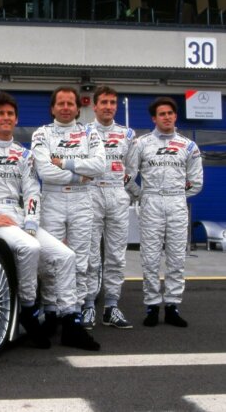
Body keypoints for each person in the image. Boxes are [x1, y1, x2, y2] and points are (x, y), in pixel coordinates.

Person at [0, 91, 99, 351]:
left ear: (16, 119)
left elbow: (32, 191)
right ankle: (29, 310)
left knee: (66, 256)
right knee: (31, 248)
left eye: (10, 114)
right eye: (1, 114)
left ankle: (71, 321)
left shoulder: (23, 154)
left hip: (19, 217)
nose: (6, 118)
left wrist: (31, 222)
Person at [31, 86, 105, 334]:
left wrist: (63, 162)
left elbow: (99, 165)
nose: (65, 108)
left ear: (77, 107)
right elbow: (44, 171)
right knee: (50, 257)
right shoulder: (42, 133)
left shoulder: (89, 133)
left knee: (80, 258)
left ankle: (77, 308)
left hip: (83, 201)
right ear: (52, 108)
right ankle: (51, 309)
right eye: (60, 104)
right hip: (52, 199)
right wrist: (78, 176)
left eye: (69, 104)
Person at [134, 97, 203, 327]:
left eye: (170, 113)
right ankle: (152, 305)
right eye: (162, 114)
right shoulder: (141, 144)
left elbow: (196, 181)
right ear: (154, 118)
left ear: (175, 116)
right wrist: (141, 194)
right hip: (151, 201)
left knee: (176, 258)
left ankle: (172, 305)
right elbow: (127, 175)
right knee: (150, 258)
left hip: (176, 203)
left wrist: (178, 194)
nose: (167, 117)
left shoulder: (189, 146)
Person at [82, 86, 138, 329]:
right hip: (90, 194)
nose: (108, 106)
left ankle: (111, 307)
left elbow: (132, 168)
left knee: (116, 254)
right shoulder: (83, 132)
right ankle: (88, 306)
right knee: (91, 255)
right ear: (94, 106)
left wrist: (121, 186)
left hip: (117, 194)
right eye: (103, 102)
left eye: (112, 102)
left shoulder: (127, 134)